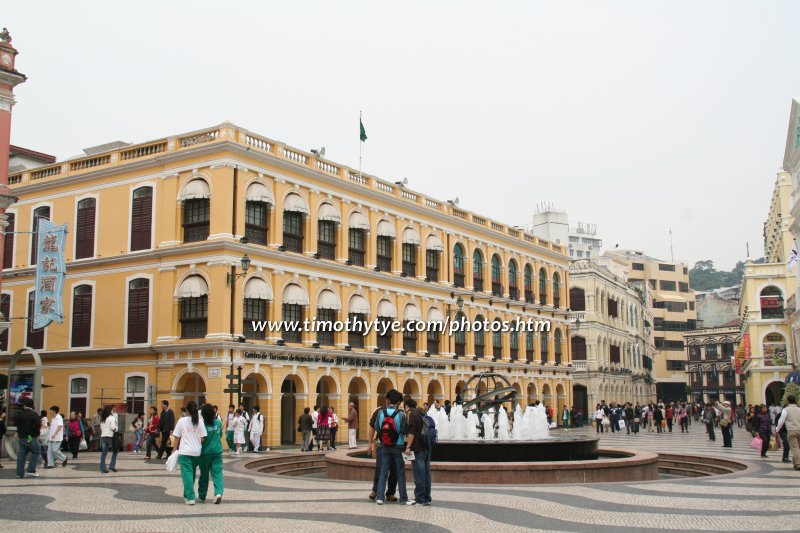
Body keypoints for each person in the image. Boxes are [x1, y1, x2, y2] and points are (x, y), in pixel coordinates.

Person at [373, 389, 409, 505]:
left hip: (383, 445)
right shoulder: (401, 414)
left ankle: (380, 497)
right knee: (400, 472)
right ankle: (403, 498)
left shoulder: (380, 413)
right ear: (398, 402)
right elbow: (404, 431)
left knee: (383, 470)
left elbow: (377, 428)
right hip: (398, 446)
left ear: (389, 400)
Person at [172, 401, 207, 505]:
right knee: (190, 474)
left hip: (185, 452)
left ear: (186, 410)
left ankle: (191, 497)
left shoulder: (182, 421)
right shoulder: (199, 421)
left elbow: (176, 437)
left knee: (187, 474)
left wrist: (174, 450)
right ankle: (187, 495)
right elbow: (203, 438)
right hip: (196, 452)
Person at [367, 403, 398, 502]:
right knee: (379, 468)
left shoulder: (400, 413)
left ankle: (390, 492)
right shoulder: (379, 411)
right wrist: (370, 443)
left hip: (395, 445)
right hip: (381, 444)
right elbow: (372, 426)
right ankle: (375, 490)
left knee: (394, 470)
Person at [404, 398, 431, 506]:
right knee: (426, 473)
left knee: (419, 474)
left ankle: (420, 499)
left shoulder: (412, 414)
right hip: (426, 445)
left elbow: (411, 432)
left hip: (418, 447)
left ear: (406, 406)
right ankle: (427, 497)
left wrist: (408, 447)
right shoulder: (422, 412)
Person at [198, 403, 224, 504]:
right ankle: (218, 493)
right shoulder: (218, 423)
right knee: (217, 473)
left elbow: (201, 439)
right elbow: (220, 435)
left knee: (204, 475)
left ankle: (202, 495)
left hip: (205, 453)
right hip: (217, 452)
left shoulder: (202, 425)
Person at [15, 398, 41, 478]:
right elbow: (37, 425)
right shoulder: (34, 414)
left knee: (21, 455)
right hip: (30, 437)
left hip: (21, 437)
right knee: (36, 451)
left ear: (25, 405)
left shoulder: (19, 414)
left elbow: (18, 425)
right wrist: (36, 434)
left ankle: (19, 473)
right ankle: (31, 470)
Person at [775, 395, 800, 470]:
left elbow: (781, 420)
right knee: (798, 448)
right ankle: (795, 463)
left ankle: (798, 464)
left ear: (788, 401)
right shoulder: (799, 409)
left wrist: (777, 429)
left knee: (795, 448)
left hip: (791, 430)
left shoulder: (786, 410)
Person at [99, 405, 119, 473]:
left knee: (104, 453)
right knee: (115, 451)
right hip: (110, 436)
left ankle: (102, 468)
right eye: (111, 409)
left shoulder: (103, 418)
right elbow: (113, 427)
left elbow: (101, 427)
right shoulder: (111, 418)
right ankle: (112, 465)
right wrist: (116, 429)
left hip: (103, 436)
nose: (112, 410)